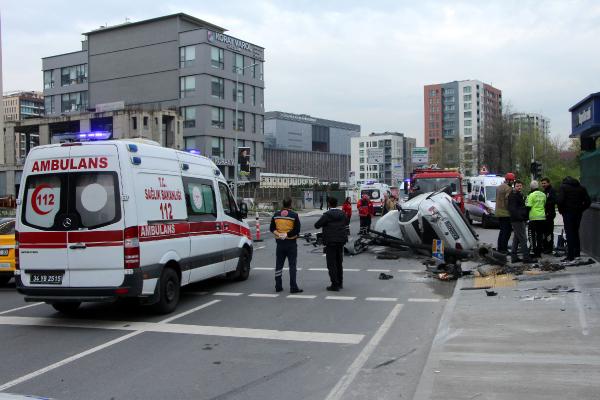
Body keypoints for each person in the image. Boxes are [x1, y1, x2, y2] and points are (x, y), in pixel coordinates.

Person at [270, 197, 303, 293]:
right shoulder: (294, 215)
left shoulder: (276, 215)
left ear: (282, 204)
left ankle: (278, 286)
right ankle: (293, 287)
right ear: (290, 204)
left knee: (278, 265)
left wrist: (279, 234)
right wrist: (287, 234)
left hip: (280, 243)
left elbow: (272, 228)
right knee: (292, 266)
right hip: (291, 243)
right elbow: (297, 230)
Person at [315, 197, 349, 291]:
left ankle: (334, 284)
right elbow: (346, 222)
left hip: (330, 242)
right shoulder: (342, 213)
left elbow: (317, 225)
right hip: (341, 241)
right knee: (339, 262)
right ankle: (340, 283)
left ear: (329, 204)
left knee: (331, 263)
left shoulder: (327, 215)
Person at [557, 176, 591, 261]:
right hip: (578, 213)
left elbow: (560, 201)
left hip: (568, 213)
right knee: (576, 232)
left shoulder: (563, 187)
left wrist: (561, 211)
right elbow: (588, 201)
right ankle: (577, 254)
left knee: (569, 234)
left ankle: (570, 256)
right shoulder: (581, 188)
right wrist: (581, 209)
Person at [508, 180, 533, 263]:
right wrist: (520, 217)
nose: (519, 187)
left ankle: (514, 257)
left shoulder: (519, 194)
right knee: (523, 238)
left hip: (518, 219)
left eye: (520, 186)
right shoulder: (513, 195)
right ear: (514, 186)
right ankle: (526, 258)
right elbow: (513, 209)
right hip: (517, 220)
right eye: (517, 186)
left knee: (516, 239)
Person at [495, 172, 515, 254]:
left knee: (502, 231)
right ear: (509, 180)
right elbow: (507, 201)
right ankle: (504, 249)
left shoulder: (499, 187)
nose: (513, 182)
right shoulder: (508, 188)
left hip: (498, 212)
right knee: (507, 231)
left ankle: (500, 248)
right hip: (506, 213)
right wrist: (511, 210)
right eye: (512, 180)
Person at [526, 180, 547, 258]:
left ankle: (533, 251)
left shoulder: (531, 195)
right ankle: (539, 252)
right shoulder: (543, 194)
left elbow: (528, 206)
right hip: (542, 217)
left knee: (532, 235)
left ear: (531, 187)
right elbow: (544, 204)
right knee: (540, 235)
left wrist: (526, 216)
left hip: (533, 218)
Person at [540, 177, 557, 253]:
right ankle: (545, 246)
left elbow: (554, 200)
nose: (543, 185)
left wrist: (545, 203)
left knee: (549, 232)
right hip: (544, 214)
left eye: (545, 183)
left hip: (550, 214)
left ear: (548, 183)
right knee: (544, 232)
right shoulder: (544, 191)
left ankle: (549, 248)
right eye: (542, 183)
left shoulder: (551, 191)